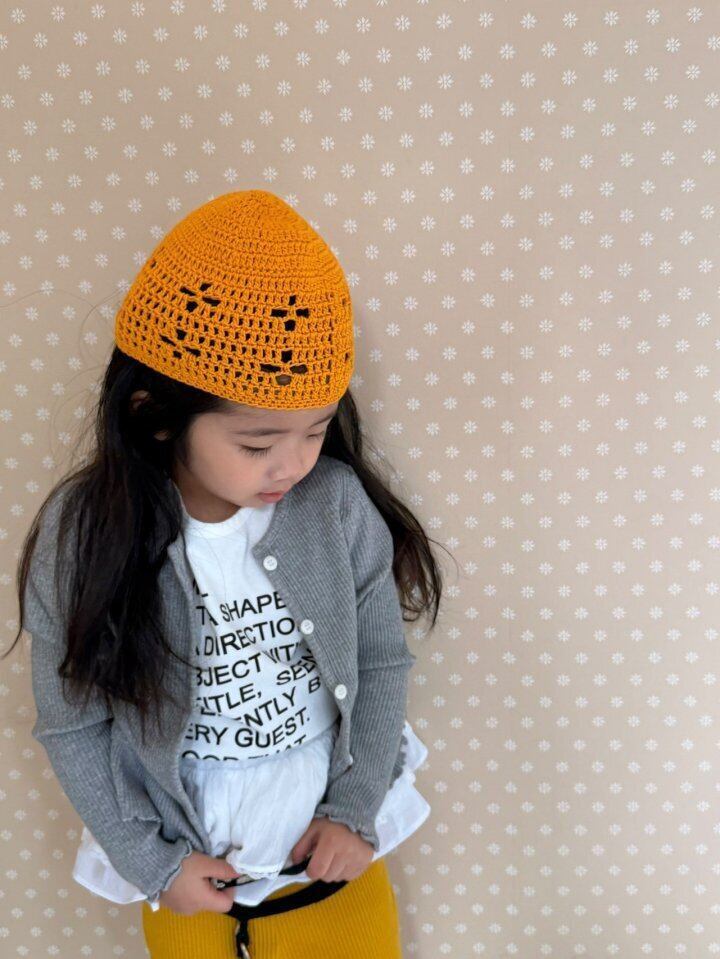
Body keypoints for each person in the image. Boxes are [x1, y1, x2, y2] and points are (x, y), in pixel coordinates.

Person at [7, 190, 447, 958]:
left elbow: (381, 661)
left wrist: (354, 810)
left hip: (329, 865)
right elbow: (73, 723)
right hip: (184, 877)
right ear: (153, 413)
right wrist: (152, 862)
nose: (294, 464)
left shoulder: (336, 506)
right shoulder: (87, 536)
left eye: (316, 430)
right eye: (256, 444)